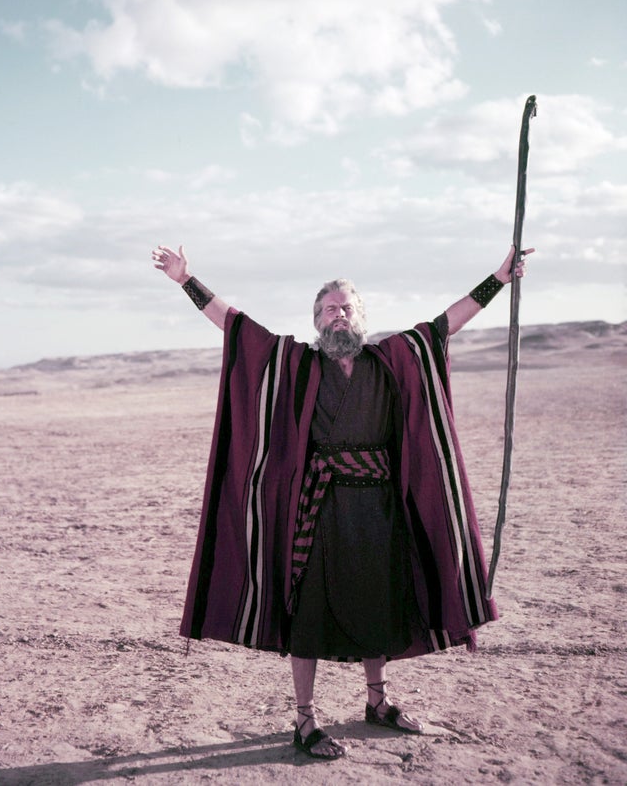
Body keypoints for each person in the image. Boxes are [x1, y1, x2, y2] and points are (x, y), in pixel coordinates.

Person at [152, 243, 532, 760]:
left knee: (379, 601)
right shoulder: (300, 364)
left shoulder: (392, 359)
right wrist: (186, 281)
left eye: (347, 307)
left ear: (362, 318)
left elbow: (445, 325)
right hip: (319, 510)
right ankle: (304, 720)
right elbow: (239, 329)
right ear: (316, 321)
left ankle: (377, 702)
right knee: (308, 611)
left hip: (380, 508)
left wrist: (499, 279)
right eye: (330, 308)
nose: (339, 315)